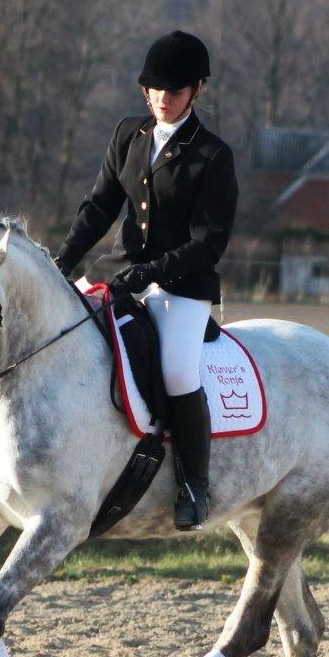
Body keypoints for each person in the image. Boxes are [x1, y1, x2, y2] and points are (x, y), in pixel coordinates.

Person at [53, 29, 239, 531]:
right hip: (119, 276)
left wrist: (155, 271)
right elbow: (98, 209)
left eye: (173, 92)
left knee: (178, 372)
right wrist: (61, 264)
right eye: (154, 89)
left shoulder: (213, 157)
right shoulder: (127, 135)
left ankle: (194, 486)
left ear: (196, 90)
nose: (161, 99)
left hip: (182, 287)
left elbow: (210, 243)